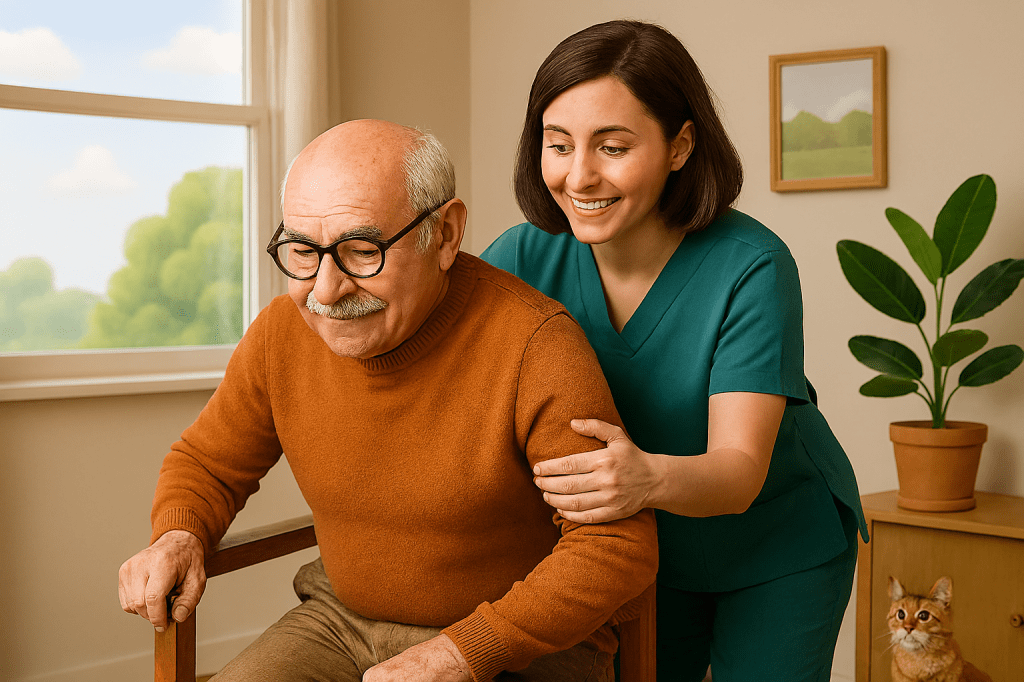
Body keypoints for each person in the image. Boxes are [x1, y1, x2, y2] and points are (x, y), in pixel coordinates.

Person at [118, 119, 658, 682]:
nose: (325, 290)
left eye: (361, 250)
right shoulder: (282, 332)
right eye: (302, 250)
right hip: (339, 622)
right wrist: (179, 533)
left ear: (445, 235)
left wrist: (464, 652)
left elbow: (616, 543)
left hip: (513, 644)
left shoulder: (535, 344)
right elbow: (209, 462)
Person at [482, 20, 868, 682]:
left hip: (777, 545)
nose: (579, 176)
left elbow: (740, 468)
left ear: (680, 145)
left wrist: (645, 479)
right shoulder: (519, 259)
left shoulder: (752, 266)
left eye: (612, 147)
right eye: (558, 145)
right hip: (638, 550)